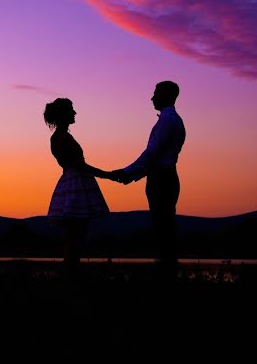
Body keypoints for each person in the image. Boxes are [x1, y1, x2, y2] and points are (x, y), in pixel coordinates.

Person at [109, 81, 186, 280]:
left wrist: (127, 172)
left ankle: (167, 275)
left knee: (163, 227)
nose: (152, 98)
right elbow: (157, 158)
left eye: (156, 93)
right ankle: (167, 272)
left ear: (168, 95)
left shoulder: (168, 121)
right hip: (161, 177)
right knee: (162, 226)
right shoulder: (170, 120)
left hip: (162, 180)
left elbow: (152, 153)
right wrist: (133, 176)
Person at [44, 98, 110, 282]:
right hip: (75, 184)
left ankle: (71, 274)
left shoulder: (64, 137)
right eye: (71, 110)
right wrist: (107, 175)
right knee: (74, 235)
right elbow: (78, 165)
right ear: (62, 114)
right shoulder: (59, 138)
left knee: (77, 235)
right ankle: (71, 276)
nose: (75, 113)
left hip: (76, 182)